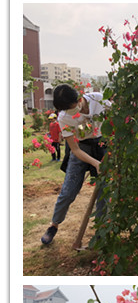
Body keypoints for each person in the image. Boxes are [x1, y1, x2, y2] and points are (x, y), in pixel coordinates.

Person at [40, 84, 110, 245]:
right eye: (66, 111)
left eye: (72, 109)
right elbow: (76, 150)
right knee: (68, 192)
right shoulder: (64, 116)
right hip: (82, 148)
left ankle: (101, 231)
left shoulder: (97, 99)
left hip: (101, 145)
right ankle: (53, 225)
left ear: (80, 100)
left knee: (104, 194)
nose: (72, 114)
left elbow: (116, 118)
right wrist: (95, 163)